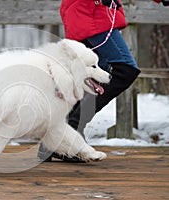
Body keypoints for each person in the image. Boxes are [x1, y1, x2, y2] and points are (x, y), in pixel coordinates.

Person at [38, 0, 141, 162]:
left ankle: (56, 139)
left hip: (87, 11)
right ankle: (69, 131)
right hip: (91, 12)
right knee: (123, 70)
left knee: (92, 75)